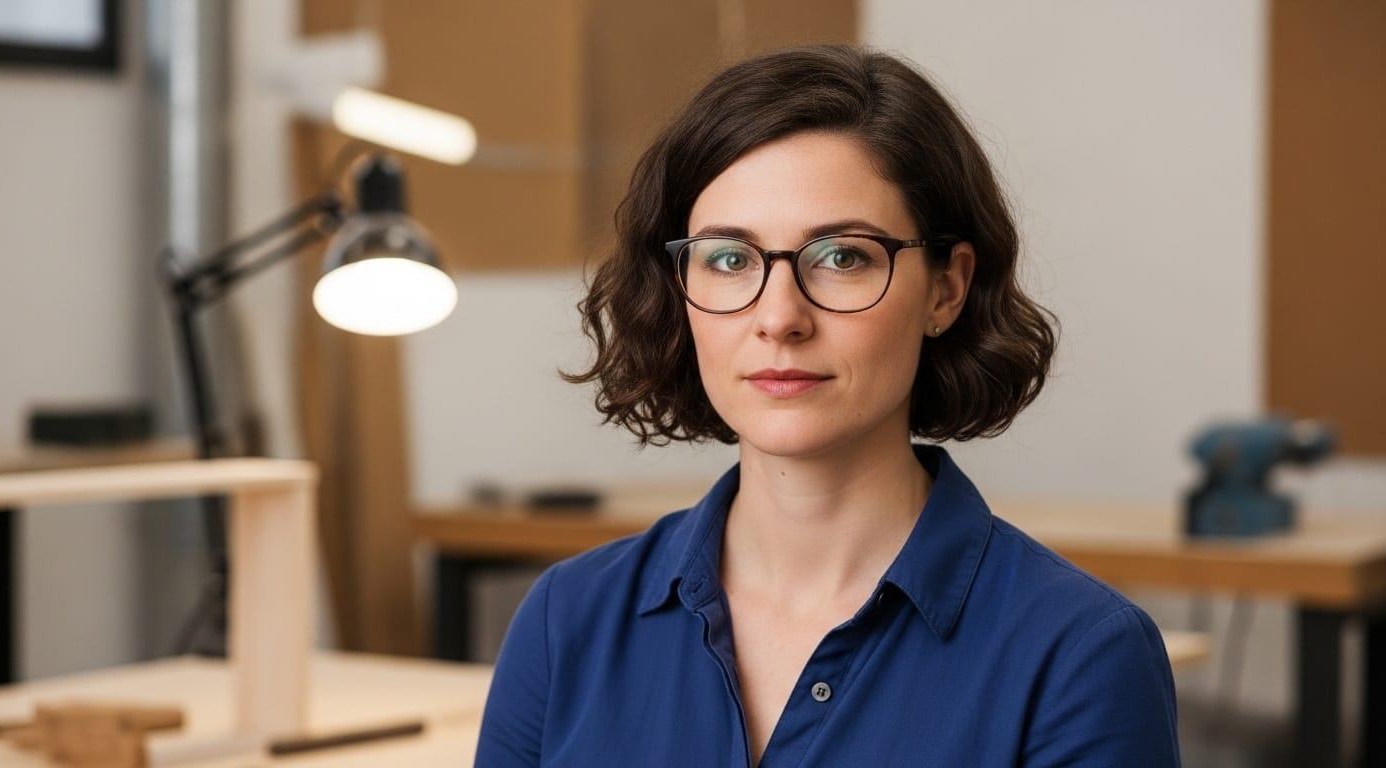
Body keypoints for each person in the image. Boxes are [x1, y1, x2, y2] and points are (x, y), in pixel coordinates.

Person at [476, 44, 1180, 767]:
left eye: (842, 256)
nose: (779, 317)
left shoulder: (1081, 656)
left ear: (947, 288)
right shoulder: (567, 622)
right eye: (728, 259)